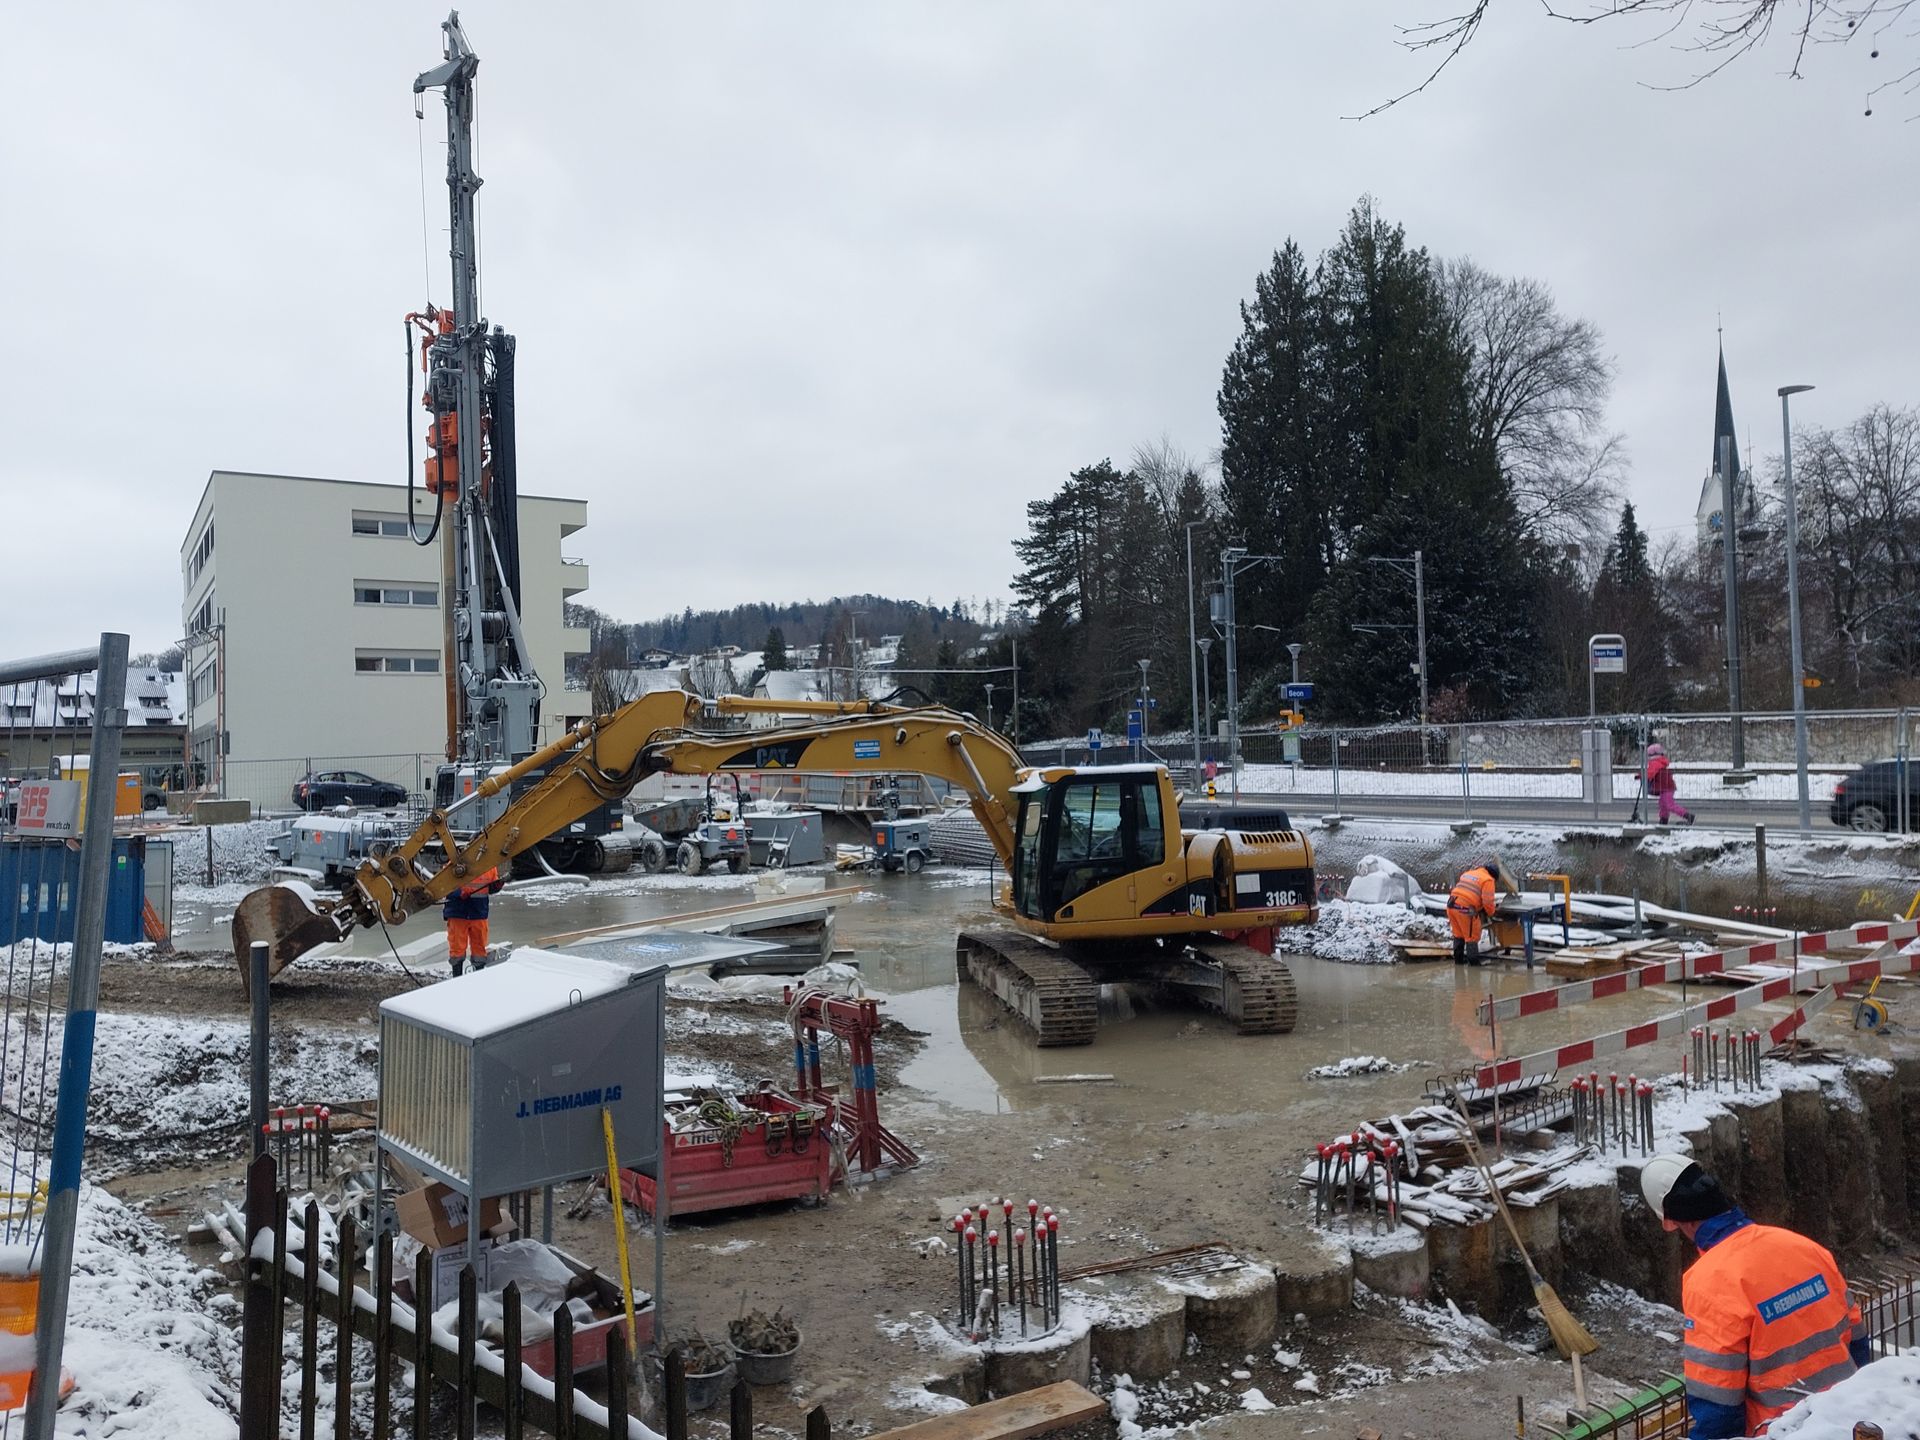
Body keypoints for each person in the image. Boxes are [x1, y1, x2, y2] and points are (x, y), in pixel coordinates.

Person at [1641, 1153, 1869, 1438]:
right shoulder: (1803, 1247)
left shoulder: (1708, 1282)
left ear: (1672, 1221)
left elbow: (1718, 1406)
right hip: (1848, 1416)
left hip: (1784, 1429)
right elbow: (1859, 1342)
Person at [443, 865, 504, 976]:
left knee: (479, 949)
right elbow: (444, 886)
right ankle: (458, 979)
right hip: (460, 912)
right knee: (457, 949)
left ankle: (477, 977)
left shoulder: (490, 866)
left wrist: (497, 885)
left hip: (476, 912)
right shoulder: (453, 864)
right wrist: (459, 893)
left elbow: (491, 887)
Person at [1448, 861, 1500, 964]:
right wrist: (1491, 913)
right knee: (1471, 937)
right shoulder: (1488, 880)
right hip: (1466, 909)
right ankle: (1474, 968)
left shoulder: (1470, 873)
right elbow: (1488, 902)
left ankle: (1458, 964)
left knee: (1458, 935)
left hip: (1451, 905)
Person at [1647, 742, 1696, 826]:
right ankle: (1663, 821)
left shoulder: (1655, 763)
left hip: (1666, 787)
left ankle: (1688, 816)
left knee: (1669, 805)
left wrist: (1640, 776)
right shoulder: (1660, 762)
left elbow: (1650, 773)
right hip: (1665, 787)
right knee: (1663, 805)